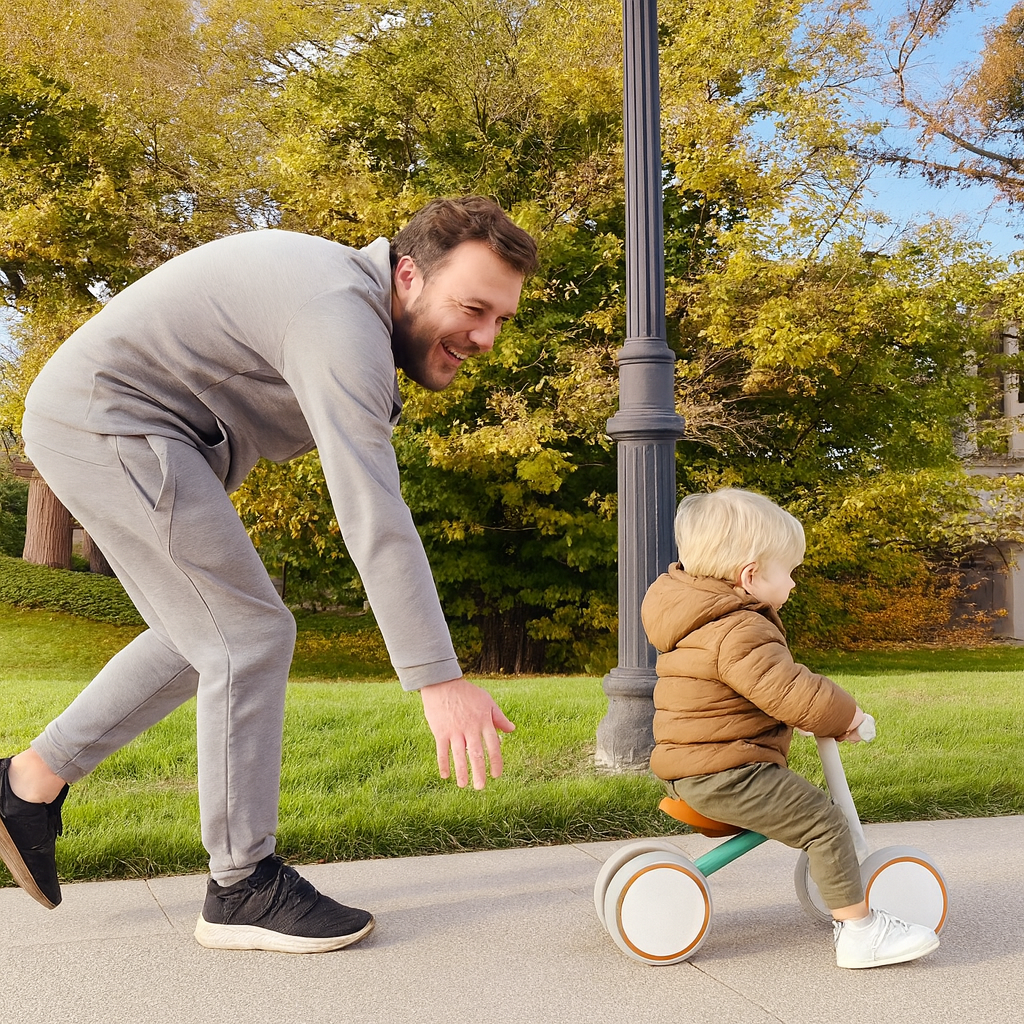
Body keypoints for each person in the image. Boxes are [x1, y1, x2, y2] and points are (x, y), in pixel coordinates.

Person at [0, 196, 538, 954]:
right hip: (112, 422)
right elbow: (373, 513)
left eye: (500, 319)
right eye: (472, 309)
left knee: (203, 636)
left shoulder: (347, 303)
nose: (484, 338)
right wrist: (437, 679)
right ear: (409, 275)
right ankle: (241, 885)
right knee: (250, 634)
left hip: (119, 424)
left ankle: (27, 785)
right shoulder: (339, 317)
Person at [640, 487, 940, 970]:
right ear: (750, 576)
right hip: (728, 773)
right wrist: (847, 717)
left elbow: (750, 694)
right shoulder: (740, 629)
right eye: (790, 571)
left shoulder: (700, 620)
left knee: (811, 820)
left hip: (701, 765)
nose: (795, 583)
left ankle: (841, 894)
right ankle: (862, 935)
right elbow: (791, 689)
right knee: (825, 823)